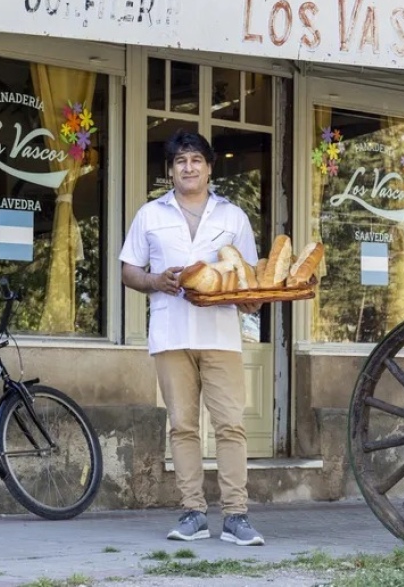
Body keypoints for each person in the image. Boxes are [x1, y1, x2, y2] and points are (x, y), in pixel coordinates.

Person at [119, 130, 265, 546]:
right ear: (170, 171)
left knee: (231, 426)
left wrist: (248, 302)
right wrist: (153, 280)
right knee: (182, 427)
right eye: (181, 160)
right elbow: (129, 270)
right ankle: (193, 514)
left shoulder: (232, 216)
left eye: (196, 160)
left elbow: (248, 278)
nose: (188, 167)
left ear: (209, 167)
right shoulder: (150, 214)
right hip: (170, 333)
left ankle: (236, 516)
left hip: (220, 334)